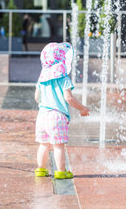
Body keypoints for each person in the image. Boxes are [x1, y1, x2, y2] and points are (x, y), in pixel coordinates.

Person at [34, 42, 90, 179]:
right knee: (58, 146)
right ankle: (60, 171)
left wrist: (44, 103)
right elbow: (69, 98)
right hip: (57, 116)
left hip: (42, 116)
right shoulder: (63, 78)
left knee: (43, 145)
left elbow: (36, 97)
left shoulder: (42, 79)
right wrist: (82, 108)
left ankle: (40, 170)